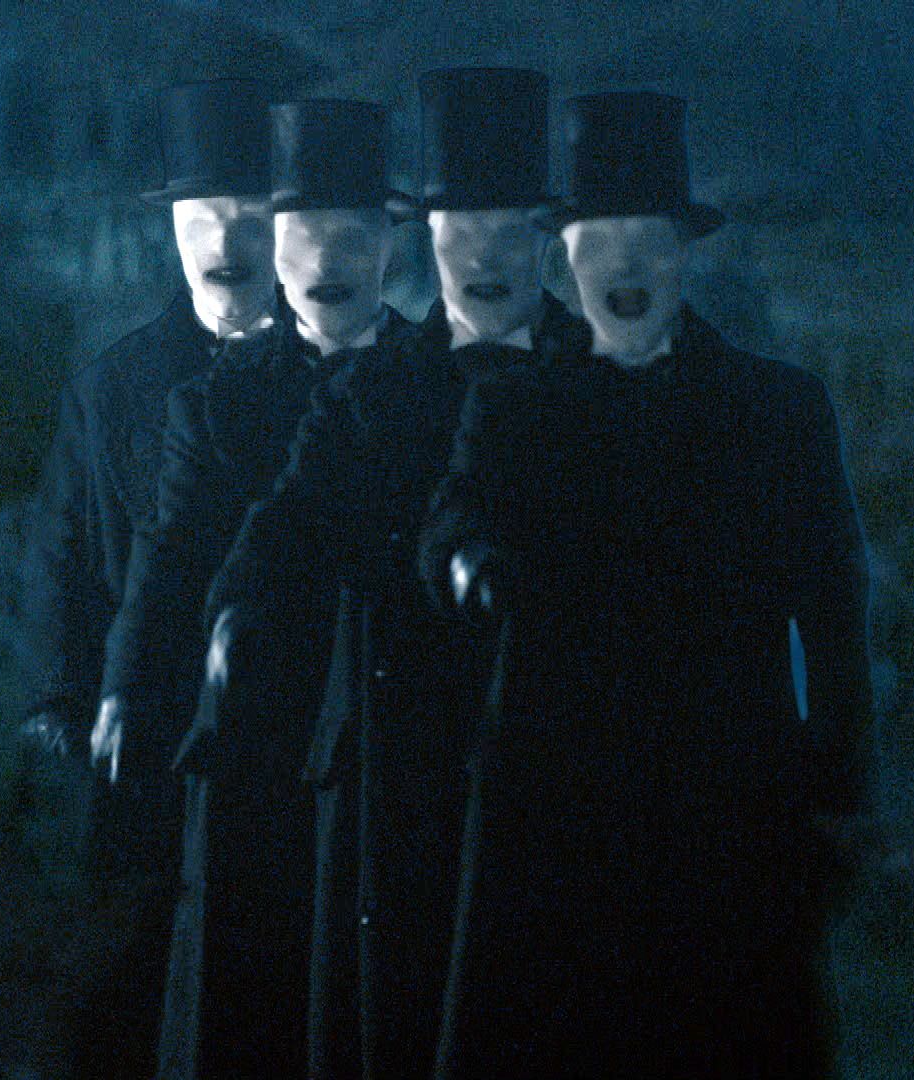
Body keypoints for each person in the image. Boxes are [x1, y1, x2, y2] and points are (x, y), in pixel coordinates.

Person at [417, 90, 878, 1078]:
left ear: (686, 255)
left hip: (727, 810)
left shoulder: (777, 412)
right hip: (556, 811)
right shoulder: (514, 409)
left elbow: (834, 610)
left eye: (648, 244)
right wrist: (472, 566)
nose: (625, 270)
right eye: (601, 245)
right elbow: (455, 518)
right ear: (564, 261)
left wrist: (836, 788)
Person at [199, 67, 585, 1080]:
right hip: (399, 777)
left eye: (510, 233)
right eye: (462, 232)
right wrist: (238, 607)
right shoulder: (376, 390)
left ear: (548, 244)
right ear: (427, 240)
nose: (485, 259)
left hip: (564, 772)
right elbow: (291, 518)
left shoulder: (601, 383)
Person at [97, 97, 420, 1080]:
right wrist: (125, 687)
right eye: (301, 235)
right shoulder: (215, 402)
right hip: (258, 731)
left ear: (391, 243)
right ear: (273, 247)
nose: (325, 261)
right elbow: (166, 554)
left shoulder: (443, 384)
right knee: (248, 982)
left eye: (350, 235)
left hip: (397, 730)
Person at [14, 76, 279, 1080]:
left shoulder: (336, 374)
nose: (225, 242)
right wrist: (56, 700)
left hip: (292, 738)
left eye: (249, 217)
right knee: (140, 991)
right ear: (171, 228)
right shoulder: (114, 387)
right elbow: (63, 550)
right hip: (148, 750)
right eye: (202, 217)